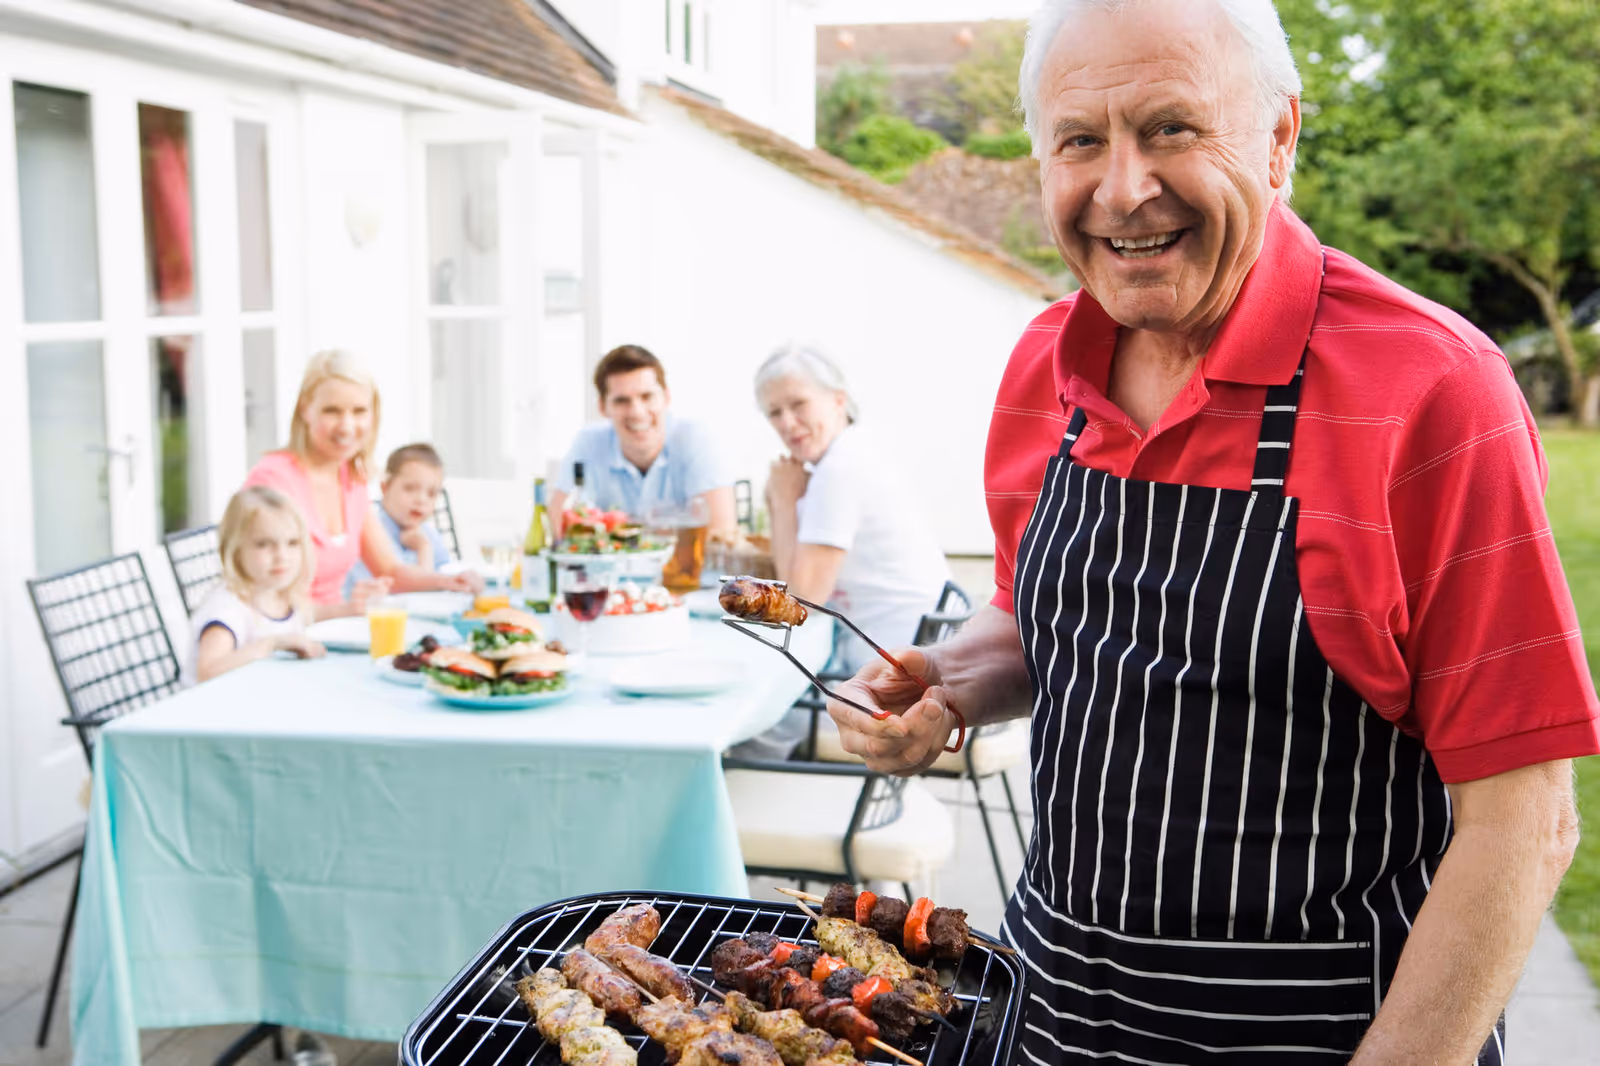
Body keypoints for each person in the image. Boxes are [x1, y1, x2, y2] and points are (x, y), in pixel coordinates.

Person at [826, 2, 1599, 1063]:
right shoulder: (1043, 366)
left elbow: (1524, 824)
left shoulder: (1429, 391)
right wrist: (953, 686)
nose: (1123, 188)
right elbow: (1041, 621)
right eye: (1081, 141)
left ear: (1279, 137)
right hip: (1054, 1017)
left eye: (1172, 128)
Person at [757, 345, 950, 674]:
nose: (787, 423)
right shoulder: (855, 450)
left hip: (898, 668)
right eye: (775, 413)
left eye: (799, 404)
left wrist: (783, 501)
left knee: (754, 696)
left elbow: (804, 602)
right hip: (917, 646)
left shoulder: (838, 470)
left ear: (837, 400)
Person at [245, 351, 482, 618]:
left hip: (334, 633)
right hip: (287, 642)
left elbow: (390, 571)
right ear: (305, 410)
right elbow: (259, 602)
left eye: (359, 411)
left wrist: (450, 582)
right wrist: (345, 611)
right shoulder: (273, 482)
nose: (346, 427)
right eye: (331, 411)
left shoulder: (350, 478)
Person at [550, 344, 736, 538]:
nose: (637, 412)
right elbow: (558, 530)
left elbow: (722, 535)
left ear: (666, 398)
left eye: (647, 396)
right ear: (603, 408)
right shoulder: (588, 443)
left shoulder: (696, 439)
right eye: (621, 401)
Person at [187, 485, 324, 685]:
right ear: (235, 550)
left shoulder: (281, 595)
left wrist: (352, 608)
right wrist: (273, 644)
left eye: (292, 543)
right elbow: (208, 672)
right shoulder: (227, 608)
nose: (281, 556)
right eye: (263, 544)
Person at [344, 443, 457, 597]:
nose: (421, 500)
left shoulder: (429, 534)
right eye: (410, 488)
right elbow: (406, 587)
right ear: (385, 487)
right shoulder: (372, 532)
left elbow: (446, 576)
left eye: (431, 493)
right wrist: (424, 549)